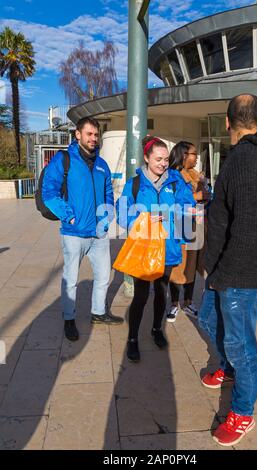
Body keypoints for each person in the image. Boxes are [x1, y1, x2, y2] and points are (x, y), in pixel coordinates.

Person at [198, 94, 257, 446]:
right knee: (210, 320)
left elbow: (248, 230)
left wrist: (219, 274)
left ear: (226, 122)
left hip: (240, 273)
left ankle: (242, 411)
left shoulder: (248, 161)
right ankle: (227, 366)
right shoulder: (246, 158)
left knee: (241, 345)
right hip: (230, 268)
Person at [42, 117, 124, 342]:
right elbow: (49, 192)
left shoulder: (102, 164)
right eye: (89, 134)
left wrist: (107, 217)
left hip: (98, 234)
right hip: (74, 233)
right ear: (77, 134)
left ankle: (98, 313)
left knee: (103, 277)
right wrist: (68, 217)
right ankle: (69, 319)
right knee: (71, 278)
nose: (93, 139)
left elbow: (108, 191)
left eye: (96, 135)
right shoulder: (64, 159)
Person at [116, 136, 195, 362]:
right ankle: (132, 338)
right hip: (144, 248)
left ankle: (156, 330)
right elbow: (122, 212)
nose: (163, 163)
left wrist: (176, 213)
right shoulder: (135, 184)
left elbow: (188, 205)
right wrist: (143, 219)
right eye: (158, 159)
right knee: (140, 295)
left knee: (162, 292)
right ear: (146, 158)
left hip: (168, 247)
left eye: (166, 159)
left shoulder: (176, 181)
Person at [167, 141, 210, 322]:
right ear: (184, 155)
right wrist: (196, 197)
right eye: (194, 154)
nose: (196, 157)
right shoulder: (172, 176)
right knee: (178, 267)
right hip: (180, 228)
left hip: (197, 227)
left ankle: (188, 301)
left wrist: (206, 192)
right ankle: (174, 304)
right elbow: (171, 203)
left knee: (191, 266)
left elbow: (208, 196)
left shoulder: (196, 175)